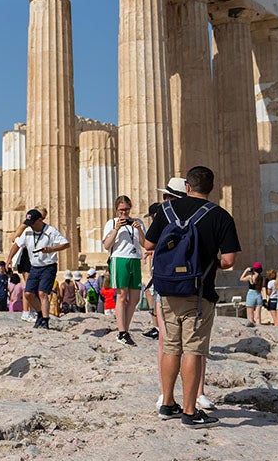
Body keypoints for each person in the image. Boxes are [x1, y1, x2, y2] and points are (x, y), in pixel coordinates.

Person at [144, 166, 239, 428]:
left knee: (171, 346)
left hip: (167, 289)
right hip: (199, 291)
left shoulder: (166, 210)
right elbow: (229, 260)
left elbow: (148, 245)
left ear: (187, 186)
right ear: (210, 188)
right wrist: (210, 263)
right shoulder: (220, 215)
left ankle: (167, 403)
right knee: (193, 350)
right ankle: (189, 411)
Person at [6, 209, 71, 330]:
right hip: (35, 266)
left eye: (32, 222)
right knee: (28, 293)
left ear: (40, 220)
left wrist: (52, 249)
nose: (29, 225)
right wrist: (9, 258)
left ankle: (45, 321)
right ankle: (40, 314)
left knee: (42, 293)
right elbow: (17, 244)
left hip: (48, 266)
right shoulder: (28, 231)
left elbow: (66, 244)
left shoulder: (50, 231)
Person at [102, 194, 146, 345]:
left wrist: (139, 230)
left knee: (135, 298)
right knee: (121, 296)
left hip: (135, 259)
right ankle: (121, 332)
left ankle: (125, 329)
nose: (124, 213)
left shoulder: (138, 222)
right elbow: (107, 245)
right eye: (121, 210)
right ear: (116, 210)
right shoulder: (111, 223)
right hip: (119, 259)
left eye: (126, 210)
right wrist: (116, 229)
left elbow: (146, 244)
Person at [240, 262, 265, 327]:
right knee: (258, 317)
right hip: (258, 295)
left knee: (250, 317)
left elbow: (241, 279)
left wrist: (246, 270)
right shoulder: (261, 277)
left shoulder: (250, 277)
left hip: (251, 295)